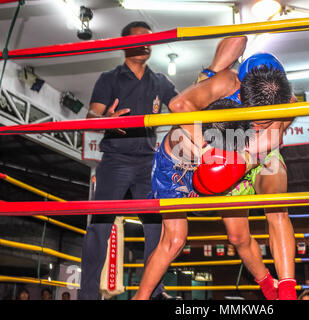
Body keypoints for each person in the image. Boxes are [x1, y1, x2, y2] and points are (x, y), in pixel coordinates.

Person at [133, 38, 296, 300]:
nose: (260, 124)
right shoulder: (227, 81)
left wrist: (239, 161)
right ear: (243, 93)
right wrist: (210, 154)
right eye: (256, 118)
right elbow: (179, 105)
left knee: (275, 206)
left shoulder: (285, 101)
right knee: (220, 238)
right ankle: (140, 299)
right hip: (190, 160)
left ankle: (286, 292)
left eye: (266, 120)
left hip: (248, 155)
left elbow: (271, 139)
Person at [78, 21, 178, 300]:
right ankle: (87, 295)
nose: (146, 42)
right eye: (139, 38)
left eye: (150, 38)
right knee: (99, 227)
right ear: (124, 45)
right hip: (116, 160)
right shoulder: (109, 78)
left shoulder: (160, 81)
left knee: (156, 227)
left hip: (148, 162)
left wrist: (209, 84)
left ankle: (154, 291)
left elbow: (183, 104)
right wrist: (105, 120)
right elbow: (91, 117)